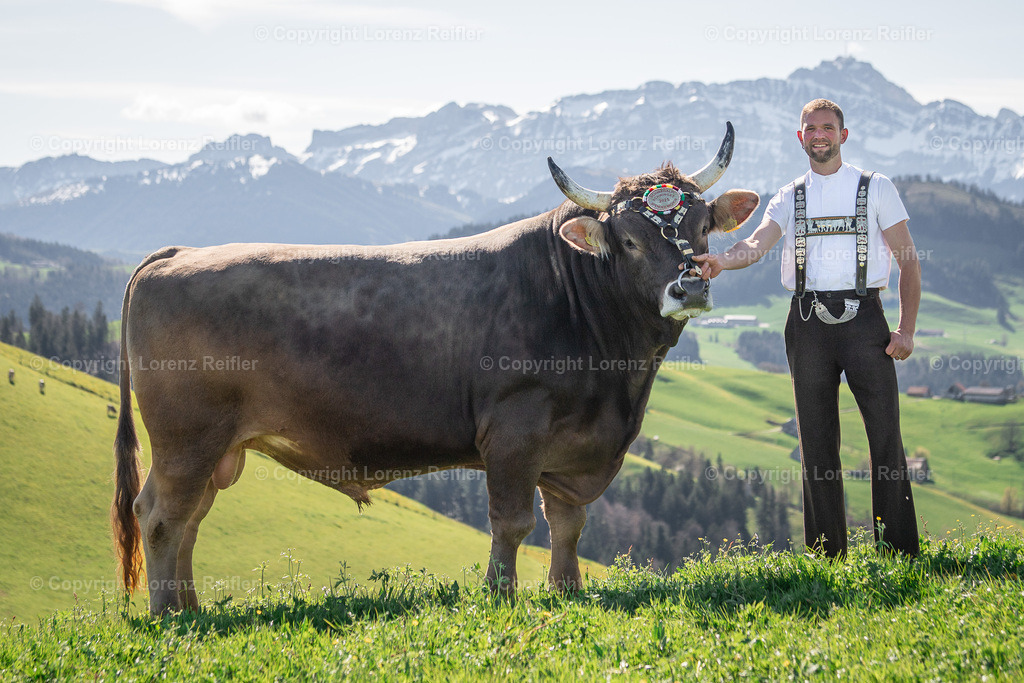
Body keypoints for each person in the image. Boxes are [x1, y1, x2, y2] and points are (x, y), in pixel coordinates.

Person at [692, 98, 920, 558]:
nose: (819, 135)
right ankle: (827, 554)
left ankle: (898, 553)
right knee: (815, 443)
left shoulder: (876, 188)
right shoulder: (790, 195)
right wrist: (721, 260)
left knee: (885, 437)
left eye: (828, 128)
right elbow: (756, 244)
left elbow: (908, 261)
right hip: (806, 322)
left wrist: (906, 330)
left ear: (843, 135)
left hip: (866, 321)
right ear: (800, 137)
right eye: (810, 128)